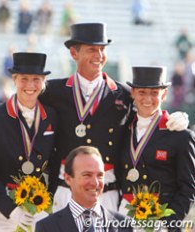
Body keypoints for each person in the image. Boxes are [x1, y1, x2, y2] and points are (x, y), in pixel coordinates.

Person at [39, 22, 189, 213]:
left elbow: (147, 117)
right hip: (65, 191)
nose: (99, 56)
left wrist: (175, 119)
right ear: (74, 54)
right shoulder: (53, 91)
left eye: (102, 49)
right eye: (92, 49)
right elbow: (23, 107)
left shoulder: (123, 94)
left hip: (107, 194)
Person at [0, 52, 58, 232]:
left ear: (43, 81)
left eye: (36, 79)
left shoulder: (52, 116)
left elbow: (55, 162)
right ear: (14, 79)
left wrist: (48, 200)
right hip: (2, 208)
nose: (30, 85)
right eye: (24, 79)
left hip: (38, 207)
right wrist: (10, 209)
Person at [117, 66, 195, 230]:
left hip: (161, 220)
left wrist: (167, 224)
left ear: (164, 94)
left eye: (154, 93)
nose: (148, 99)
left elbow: (188, 189)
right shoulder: (123, 130)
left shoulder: (180, 136)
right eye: (142, 92)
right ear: (132, 93)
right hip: (123, 217)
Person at [35, 146, 132, 232]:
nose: (95, 183)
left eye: (100, 175)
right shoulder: (46, 227)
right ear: (68, 178)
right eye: (87, 175)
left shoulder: (124, 225)